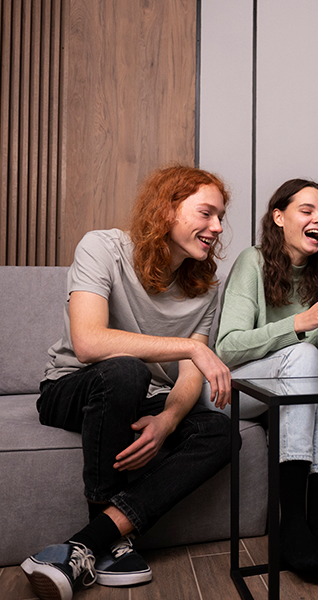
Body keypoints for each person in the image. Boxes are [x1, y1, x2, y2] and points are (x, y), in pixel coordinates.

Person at [21, 165, 234, 600]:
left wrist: (170, 420)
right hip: (73, 387)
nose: (217, 227)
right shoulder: (103, 247)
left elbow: (190, 374)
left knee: (221, 431)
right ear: (167, 209)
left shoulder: (205, 287)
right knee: (125, 369)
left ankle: (91, 542)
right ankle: (106, 531)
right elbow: (88, 341)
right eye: (207, 213)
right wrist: (190, 347)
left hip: (144, 397)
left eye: (220, 217)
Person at [213, 179, 318, 574]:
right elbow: (227, 349)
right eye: (308, 211)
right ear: (279, 217)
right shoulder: (253, 260)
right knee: (303, 352)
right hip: (240, 390)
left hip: (291, 389)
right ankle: (291, 526)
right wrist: (300, 323)